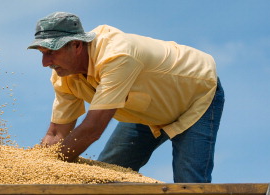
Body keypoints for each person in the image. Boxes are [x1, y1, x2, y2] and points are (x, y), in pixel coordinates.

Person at [28, 12, 224, 183]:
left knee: (188, 183)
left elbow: (92, 130)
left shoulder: (116, 55)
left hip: (196, 95)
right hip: (147, 111)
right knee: (106, 175)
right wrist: (37, 164)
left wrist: (50, 167)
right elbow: (56, 134)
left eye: (51, 52)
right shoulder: (64, 76)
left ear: (77, 45)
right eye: (42, 54)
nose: (45, 63)